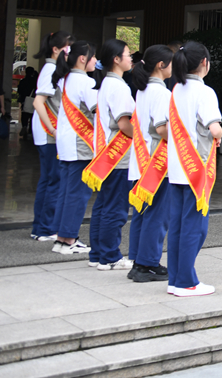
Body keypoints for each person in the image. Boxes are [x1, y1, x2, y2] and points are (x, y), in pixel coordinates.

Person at [167, 41, 222, 297]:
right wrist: (219, 133)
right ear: (204, 63)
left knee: (178, 225)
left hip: (177, 169)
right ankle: (186, 281)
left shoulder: (176, 89)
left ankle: (175, 278)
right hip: (196, 170)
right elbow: (214, 128)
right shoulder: (205, 92)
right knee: (195, 227)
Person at [86, 40, 135, 271]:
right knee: (115, 208)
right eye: (127, 54)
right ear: (116, 59)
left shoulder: (106, 82)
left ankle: (97, 253)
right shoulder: (119, 87)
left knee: (103, 206)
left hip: (106, 154)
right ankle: (110, 255)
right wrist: (143, 138)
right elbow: (124, 123)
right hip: (119, 156)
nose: (130, 58)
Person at [127, 45, 173, 282]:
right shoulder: (163, 94)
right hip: (157, 162)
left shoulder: (142, 90)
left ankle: (137, 261)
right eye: (171, 62)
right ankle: (147, 263)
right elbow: (162, 128)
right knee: (157, 214)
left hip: (141, 159)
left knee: (142, 213)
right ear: (161, 65)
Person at [51, 40, 98, 255]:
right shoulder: (86, 83)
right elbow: (98, 111)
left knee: (66, 191)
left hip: (67, 143)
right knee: (78, 194)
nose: (96, 61)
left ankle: (61, 238)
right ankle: (69, 238)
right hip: (82, 143)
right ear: (83, 59)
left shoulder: (66, 79)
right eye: (93, 57)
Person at [30, 30, 73, 241]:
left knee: (48, 180)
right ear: (56, 49)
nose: (70, 51)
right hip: (49, 134)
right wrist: (54, 130)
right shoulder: (51, 69)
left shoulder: (53, 68)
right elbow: (38, 102)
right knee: (53, 180)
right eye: (67, 47)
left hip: (47, 133)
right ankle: (45, 228)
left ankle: (41, 226)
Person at [17, 67, 37, 139]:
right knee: (32, 116)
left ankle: (24, 126)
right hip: (34, 101)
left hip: (24, 101)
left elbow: (19, 91)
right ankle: (30, 131)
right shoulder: (35, 81)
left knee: (24, 115)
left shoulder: (23, 81)